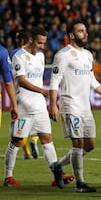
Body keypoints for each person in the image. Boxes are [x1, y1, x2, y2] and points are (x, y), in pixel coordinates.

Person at [49, 20, 101, 193]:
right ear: (71, 35)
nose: (85, 33)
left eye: (85, 30)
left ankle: (57, 165)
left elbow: (92, 80)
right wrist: (53, 104)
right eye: (81, 31)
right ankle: (80, 183)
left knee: (90, 145)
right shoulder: (63, 55)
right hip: (70, 104)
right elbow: (54, 81)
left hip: (85, 107)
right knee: (78, 143)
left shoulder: (88, 55)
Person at [3, 27, 64, 188]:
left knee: (47, 139)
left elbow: (37, 80)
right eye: (39, 43)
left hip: (39, 107)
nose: (42, 46)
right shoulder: (18, 56)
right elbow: (21, 80)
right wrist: (43, 91)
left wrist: (47, 99)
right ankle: (8, 177)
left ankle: (55, 176)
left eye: (44, 43)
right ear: (30, 40)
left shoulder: (41, 56)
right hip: (23, 106)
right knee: (16, 141)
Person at [9, 29, 40, 160]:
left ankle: (26, 151)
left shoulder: (14, 54)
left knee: (18, 131)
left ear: (22, 40)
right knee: (39, 125)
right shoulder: (38, 54)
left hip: (19, 94)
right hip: (35, 95)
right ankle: (34, 140)